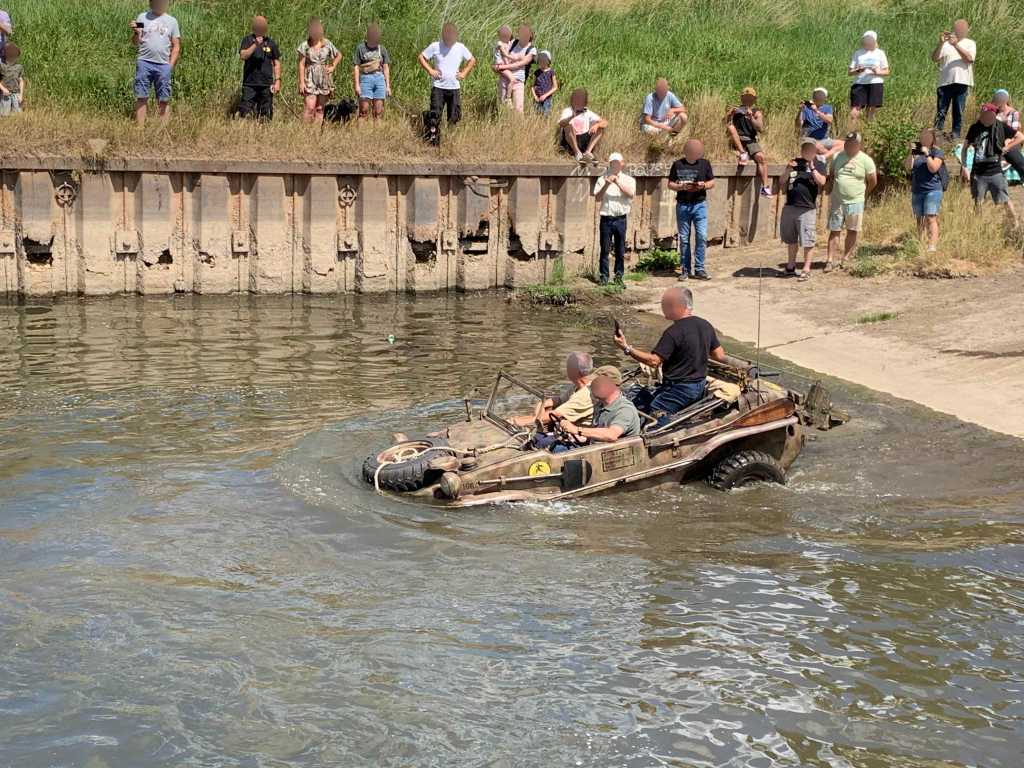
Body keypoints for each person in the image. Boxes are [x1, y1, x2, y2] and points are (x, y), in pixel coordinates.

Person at [614, 286, 726, 422]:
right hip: (699, 384)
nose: (663, 309)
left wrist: (626, 348)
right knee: (648, 397)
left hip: (681, 388)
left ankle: (657, 439)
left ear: (677, 306)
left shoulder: (674, 332)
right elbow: (719, 355)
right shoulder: (705, 325)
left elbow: (654, 361)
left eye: (666, 305)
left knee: (657, 409)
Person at [962, 103, 1024, 228]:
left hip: (995, 171)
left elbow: (1020, 136)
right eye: (982, 114)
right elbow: (964, 148)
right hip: (978, 172)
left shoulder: (1001, 126)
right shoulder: (974, 127)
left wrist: (1007, 147)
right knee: (978, 202)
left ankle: (1015, 224)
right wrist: (964, 166)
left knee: (1005, 199)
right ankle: (977, 227)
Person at [825, 131, 877, 272]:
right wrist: (828, 189)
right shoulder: (837, 157)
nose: (848, 146)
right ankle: (830, 260)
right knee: (834, 230)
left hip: (856, 200)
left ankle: (846, 258)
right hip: (837, 200)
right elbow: (831, 174)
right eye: (847, 143)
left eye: (852, 144)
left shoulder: (866, 160)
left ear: (858, 144)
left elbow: (872, 180)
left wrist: (864, 194)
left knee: (852, 230)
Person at [668, 138, 715, 281]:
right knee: (684, 239)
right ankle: (685, 270)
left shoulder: (705, 164)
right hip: (683, 205)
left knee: (701, 236)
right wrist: (680, 187)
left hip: (699, 204)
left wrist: (703, 185)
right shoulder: (677, 164)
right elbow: (670, 184)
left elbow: (712, 182)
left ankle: (700, 269)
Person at [781, 138, 827, 280]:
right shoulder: (794, 162)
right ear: (802, 150)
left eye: (810, 149)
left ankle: (806, 269)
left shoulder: (819, 164)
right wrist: (788, 169)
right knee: (791, 239)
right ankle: (790, 266)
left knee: (808, 240)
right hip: (790, 206)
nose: (807, 151)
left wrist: (812, 167)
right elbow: (782, 182)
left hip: (806, 208)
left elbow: (822, 182)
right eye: (805, 148)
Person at [557, 366, 641, 444]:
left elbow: (612, 435)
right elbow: (595, 436)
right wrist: (574, 436)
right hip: (596, 450)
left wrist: (577, 430)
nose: (591, 387)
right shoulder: (599, 405)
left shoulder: (625, 410)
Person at [512, 352, 595, 429]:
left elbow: (555, 415)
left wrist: (519, 421)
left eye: (568, 366)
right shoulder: (577, 386)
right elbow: (560, 399)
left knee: (520, 422)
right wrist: (543, 404)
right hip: (565, 424)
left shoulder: (583, 396)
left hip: (576, 435)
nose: (566, 369)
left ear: (574, 370)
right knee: (522, 419)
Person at [131, 0, 182, 125]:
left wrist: (170, 66)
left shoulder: (172, 21)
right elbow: (135, 42)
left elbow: (176, 46)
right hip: (144, 62)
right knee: (141, 96)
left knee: (163, 99)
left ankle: (163, 130)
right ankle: (140, 128)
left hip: (163, 65)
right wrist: (136, 33)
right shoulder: (142, 17)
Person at [418, 23, 476, 125]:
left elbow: (472, 60)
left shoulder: (460, 47)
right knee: (435, 115)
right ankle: (432, 137)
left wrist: (464, 73)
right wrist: (431, 71)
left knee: (454, 117)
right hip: (438, 87)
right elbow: (421, 57)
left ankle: (451, 136)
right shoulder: (435, 46)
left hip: (454, 87)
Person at [594, 153, 636, 284]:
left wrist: (617, 182)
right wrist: (606, 184)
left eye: (618, 163)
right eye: (613, 163)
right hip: (606, 219)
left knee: (620, 250)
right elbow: (597, 198)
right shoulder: (602, 179)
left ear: (622, 164)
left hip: (621, 219)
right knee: (605, 249)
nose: (615, 165)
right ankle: (604, 277)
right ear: (610, 164)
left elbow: (630, 194)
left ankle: (618, 277)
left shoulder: (629, 179)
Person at [932, 19, 975, 140]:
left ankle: (955, 135)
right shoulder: (945, 44)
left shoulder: (970, 43)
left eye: (962, 28)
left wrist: (956, 44)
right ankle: (936, 133)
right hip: (944, 82)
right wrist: (940, 43)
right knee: (941, 110)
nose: (959, 30)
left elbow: (969, 59)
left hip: (962, 81)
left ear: (967, 30)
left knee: (958, 110)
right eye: (957, 27)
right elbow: (935, 58)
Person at [904, 128, 946, 253]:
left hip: (932, 189)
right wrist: (911, 154)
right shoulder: (916, 150)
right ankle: (920, 242)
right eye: (923, 136)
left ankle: (932, 245)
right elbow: (908, 168)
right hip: (917, 189)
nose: (925, 138)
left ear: (933, 139)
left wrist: (927, 154)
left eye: (928, 136)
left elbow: (933, 168)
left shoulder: (937, 152)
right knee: (919, 218)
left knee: (931, 217)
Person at [727, 87, 772, 197]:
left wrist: (751, 117)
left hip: (750, 140)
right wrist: (729, 115)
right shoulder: (735, 109)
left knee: (761, 158)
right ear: (741, 98)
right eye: (745, 97)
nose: (747, 100)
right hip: (736, 138)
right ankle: (743, 153)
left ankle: (765, 187)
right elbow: (725, 123)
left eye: (750, 98)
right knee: (731, 128)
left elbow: (760, 128)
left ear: (754, 99)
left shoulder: (756, 112)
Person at [297, 18, 341, 124]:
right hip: (310, 78)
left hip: (324, 77)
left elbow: (339, 55)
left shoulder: (327, 44)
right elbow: (301, 64)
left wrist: (332, 66)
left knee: (320, 109)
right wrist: (302, 82)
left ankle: (316, 134)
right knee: (309, 108)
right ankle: (305, 133)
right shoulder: (305, 46)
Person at [238, 16, 281, 121]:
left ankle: (264, 134)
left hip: (266, 84)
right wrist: (255, 44)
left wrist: (278, 81)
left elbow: (276, 63)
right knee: (245, 112)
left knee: (266, 114)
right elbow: (243, 56)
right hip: (250, 84)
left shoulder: (271, 43)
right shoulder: (247, 40)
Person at [848, 31, 890, 123]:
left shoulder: (880, 53)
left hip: (875, 82)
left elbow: (887, 71)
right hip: (859, 83)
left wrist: (877, 71)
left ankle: (868, 128)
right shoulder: (858, 53)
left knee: (871, 109)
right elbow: (850, 72)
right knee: (856, 107)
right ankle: (852, 129)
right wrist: (858, 70)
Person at [352, 23, 391, 119]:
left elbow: (386, 68)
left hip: (379, 79)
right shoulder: (360, 48)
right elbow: (356, 66)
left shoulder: (382, 49)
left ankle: (376, 133)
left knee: (378, 111)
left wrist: (388, 86)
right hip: (365, 78)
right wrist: (357, 85)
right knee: (363, 110)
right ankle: (360, 133)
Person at [494, 25, 535, 113]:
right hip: (504, 79)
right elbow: (500, 54)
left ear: (531, 35)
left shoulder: (532, 50)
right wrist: (497, 66)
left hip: (518, 80)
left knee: (518, 109)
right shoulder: (513, 42)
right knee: (503, 108)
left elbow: (520, 64)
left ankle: (518, 126)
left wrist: (501, 67)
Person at [559, 88, 607, 162]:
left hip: (584, 139)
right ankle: (577, 153)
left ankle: (588, 152)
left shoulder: (587, 112)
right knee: (568, 126)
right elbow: (561, 124)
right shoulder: (567, 111)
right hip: (571, 140)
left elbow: (605, 122)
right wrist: (572, 116)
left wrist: (597, 125)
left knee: (600, 128)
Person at [796, 87, 837, 157]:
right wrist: (800, 111)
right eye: (817, 96)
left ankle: (828, 157)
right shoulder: (806, 108)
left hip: (824, 139)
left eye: (820, 96)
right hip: (809, 139)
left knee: (843, 145)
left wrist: (816, 111)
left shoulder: (827, 107)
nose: (818, 97)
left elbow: (829, 121)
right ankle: (829, 157)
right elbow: (798, 125)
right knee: (819, 147)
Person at [993, 89, 1024, 178]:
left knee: (1010, 151)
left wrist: (1008, 140)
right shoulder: (994, 112)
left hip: (1013, 140)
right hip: (999, 140)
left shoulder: (1013, 113)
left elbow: (1015, 131)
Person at [531, 51, 558, 116]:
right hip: (537, 99)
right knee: (537, 114)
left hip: (547, 99)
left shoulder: (551, 72)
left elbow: (555, 87)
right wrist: (535, 97)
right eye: (540, 59)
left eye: (544, 59)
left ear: (548, 61)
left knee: (546, 115)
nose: (542, 61)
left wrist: (545, 96)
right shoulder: (537, 72)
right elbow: (532, 86)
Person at [0, 42, 23, 115]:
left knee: (17, 114)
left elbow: (21, 81)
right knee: (4, 114)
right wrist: (3, 89)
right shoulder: (2, 66)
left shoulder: (19, 67)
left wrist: (21, 95)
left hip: (16, 94)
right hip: (5, 94)